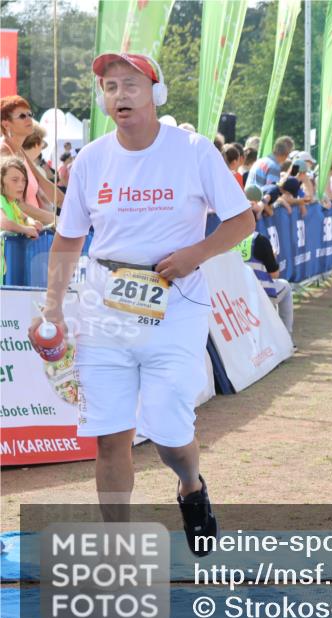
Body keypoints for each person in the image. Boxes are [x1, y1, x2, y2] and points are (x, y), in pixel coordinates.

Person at [27, 52, 254, 555]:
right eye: (110, 87)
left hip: (176, 308)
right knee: (109, 436)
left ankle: (190, 484)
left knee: (170, 433)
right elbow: (68, 240)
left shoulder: (193, 151)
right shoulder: (90, 160)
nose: (119, 95)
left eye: (130, 85)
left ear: (156, 92)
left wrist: (195, 254)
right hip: (104, 309)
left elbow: (243, 222)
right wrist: (54, 307)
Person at [1, 97, 62, 225]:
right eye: (22, 116)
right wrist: (57, 219)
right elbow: (16, 203)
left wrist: (74, 206)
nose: (29, 119)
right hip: (15, 237)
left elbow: (44, 183)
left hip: (31, 233)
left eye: (30, 114)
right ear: (6, 124)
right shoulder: (4, 152)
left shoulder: (20, 151)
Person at [1, 156, 42, 238]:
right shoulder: (1, 200)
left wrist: (32, 222)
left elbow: (25, 218)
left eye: (24, 180)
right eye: (14, 180)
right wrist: (25, 229)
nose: (21, 185)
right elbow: (3, 222)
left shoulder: (13, 204)